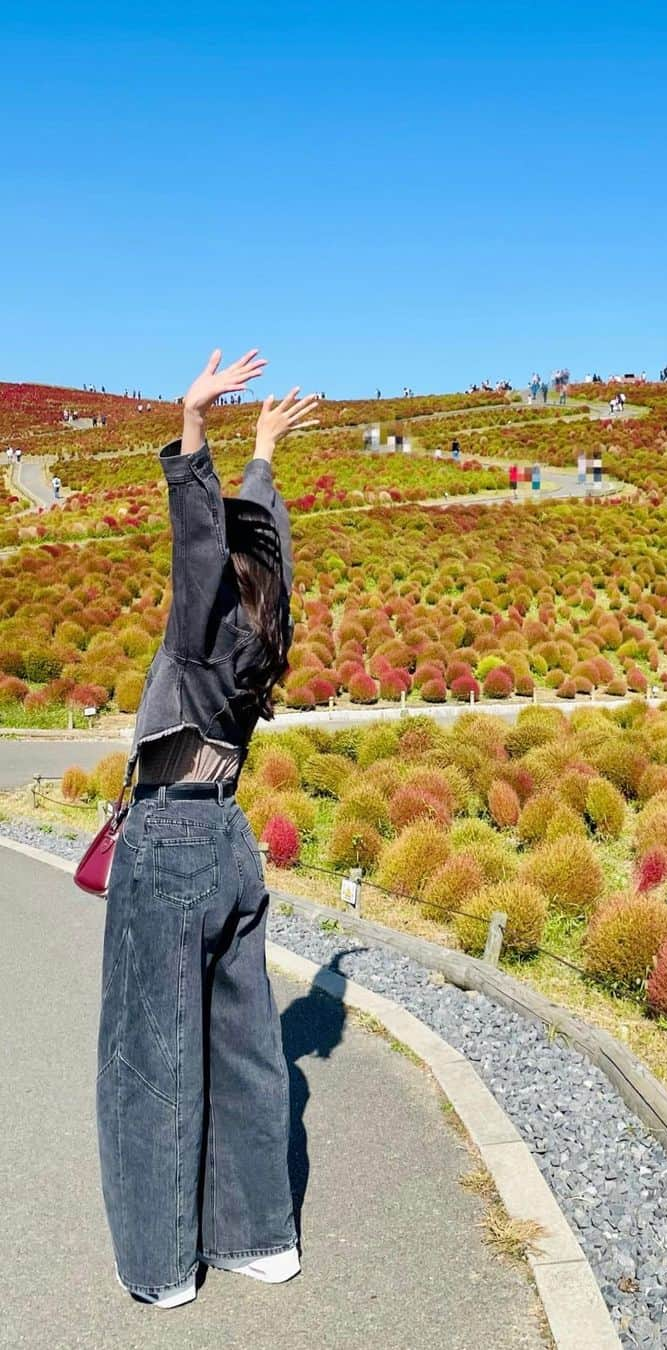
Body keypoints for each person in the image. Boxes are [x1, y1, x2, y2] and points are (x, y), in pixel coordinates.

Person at [98, 348, 318, 1309]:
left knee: (153, 1054)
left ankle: (163, 1269)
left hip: (171, 838)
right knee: (245, 1044)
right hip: (230, 839)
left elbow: (202, 539)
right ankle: (262, 1240)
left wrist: (194, 427)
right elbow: (260, 542)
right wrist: (263, 455)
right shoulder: (262, 629)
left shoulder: (200, 622)